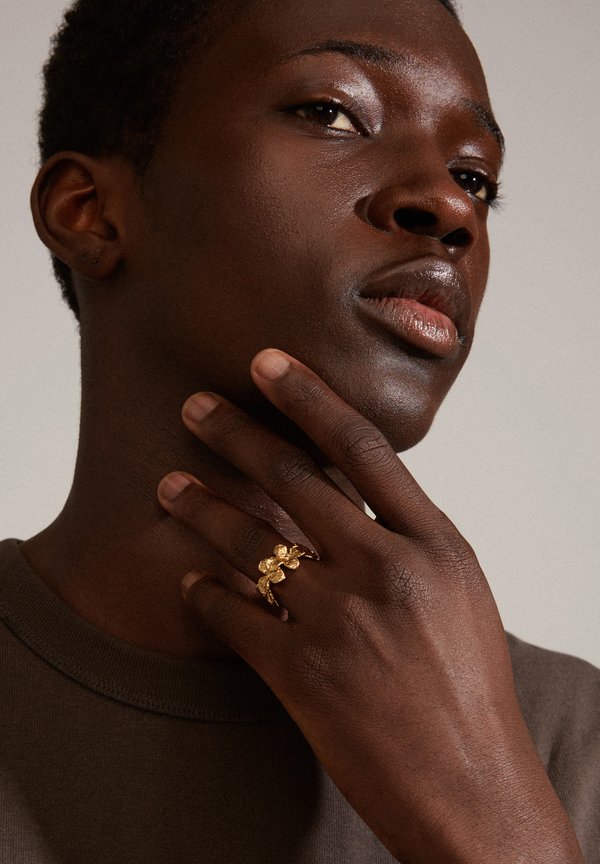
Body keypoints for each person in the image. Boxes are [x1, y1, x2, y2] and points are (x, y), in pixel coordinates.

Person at [0, 0, 598, 861]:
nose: (448, 206)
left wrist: (492, 820)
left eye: (475, 178)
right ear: (89, 212)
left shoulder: (573, 746)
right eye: (332, 112)